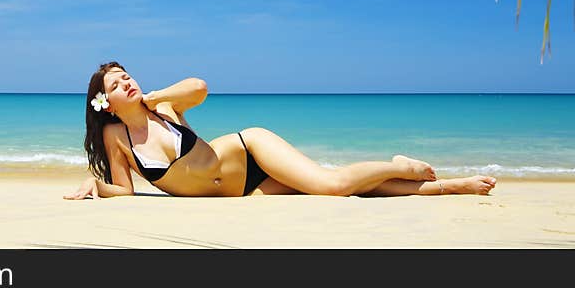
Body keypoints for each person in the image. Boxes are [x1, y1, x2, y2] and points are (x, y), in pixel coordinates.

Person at [64, 61, 498, 200]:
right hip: (244, 190)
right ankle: (450, 187)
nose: (127, 82)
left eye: (127, 75)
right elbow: (127, 192)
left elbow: (200, 87)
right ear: (105, 104)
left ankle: (396, 164)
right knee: (349, 193)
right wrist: (97, 186)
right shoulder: (114, 138)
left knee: (331, 185)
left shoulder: (164, 106)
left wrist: (155, 96)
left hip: (249, 150)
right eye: (116, 84)